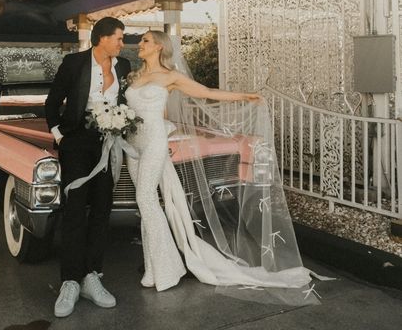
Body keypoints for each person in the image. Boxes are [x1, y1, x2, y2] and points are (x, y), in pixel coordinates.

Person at [125, 30, 317, 302]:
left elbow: (207, 92)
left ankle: (167, 269)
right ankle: (153, 269)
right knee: (148, 206)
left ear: (158, 46)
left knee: (145, 199)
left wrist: (244, 96)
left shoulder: (171, 77)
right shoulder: (134, 76)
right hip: (132, 144)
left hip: (155, 141)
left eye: (144, 40)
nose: (139, 45)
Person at [45, 16, 131, 318]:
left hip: (109, 145)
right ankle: (70, 281)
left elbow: (123, 102)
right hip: (76, 145)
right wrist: (61, 139)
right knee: (74, 209)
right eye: (119, 38)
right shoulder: (74, 63)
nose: (122, 43)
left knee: (102, 209)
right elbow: (52, 103)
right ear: (102, 38)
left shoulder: (123, 67)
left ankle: (93, 275)